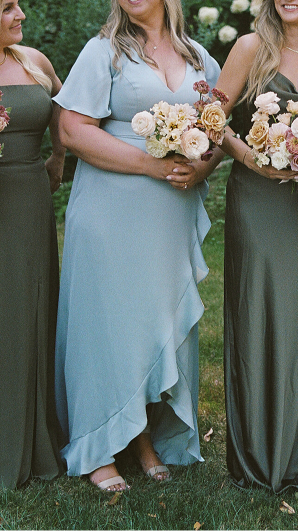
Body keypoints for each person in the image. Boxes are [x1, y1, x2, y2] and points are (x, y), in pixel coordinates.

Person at [54, 0, 223, 491]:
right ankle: (97, 445)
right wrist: (152, 166)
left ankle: (142, 435)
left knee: (153, 322)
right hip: (111, 211)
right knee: (109, 325)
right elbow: (72, 130)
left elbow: (214, 134)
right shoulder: (103, 51)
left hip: (169, 215)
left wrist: (202, 166)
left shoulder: (200, 59)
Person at [214, 0, 298, 491]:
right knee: (254, 313)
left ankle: (295, 453)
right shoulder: (251, 48)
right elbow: (213, 116)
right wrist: (249, 156)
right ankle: (251, 454)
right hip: (255, 199)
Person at [0, 0, 65, 489]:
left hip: (28, 203)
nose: (20, 14)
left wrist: (59, 159)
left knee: (28, 311)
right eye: (7, 8)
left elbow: (70, 113)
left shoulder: (34, 61)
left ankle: (34, 438)